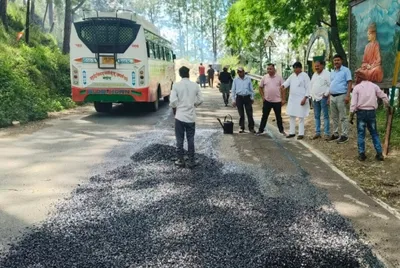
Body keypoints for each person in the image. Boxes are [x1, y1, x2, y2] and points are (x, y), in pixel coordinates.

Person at [170, 66, 204, 168]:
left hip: (180, 116)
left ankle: (180, 160)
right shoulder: (195, 85)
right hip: (191, 117)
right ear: (188, 73)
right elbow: (201, 99)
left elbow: (172, 102)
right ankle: (191, 161)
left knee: (179, 139)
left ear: (180, 74)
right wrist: (194, 104)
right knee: (190, 139)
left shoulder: (176, 85)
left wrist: (177, 108)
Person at [349, 76, 388, 161]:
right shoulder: (374, 86)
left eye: (356, 77)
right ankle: (379, 153)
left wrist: (351, 116)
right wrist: (388, 105)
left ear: (359, 78)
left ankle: (361, 154)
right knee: (374, 133)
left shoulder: (357, 87)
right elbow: (383, 95)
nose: (355, 79)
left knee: (361, 134)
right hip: (371, 113)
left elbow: (353, 104)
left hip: (361, 113)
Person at [280, 62, 311, 140]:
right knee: (292, 115)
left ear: (300, 68)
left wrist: (305, 98)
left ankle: (301, 133)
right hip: (292, 99)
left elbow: (308, 87)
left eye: (296, 68)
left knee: (301, 116)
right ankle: (292, 132)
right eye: (294, 68)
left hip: (301, 99)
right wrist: (283, 85)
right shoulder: (292, 75)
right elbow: (287, 82)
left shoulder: (305, 76)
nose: (295, 69)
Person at [328, 54, 353, 144]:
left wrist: (347, 95)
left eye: (338, 60)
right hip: (332, 97)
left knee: (343, 116)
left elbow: (349, 83)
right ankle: (335, 134)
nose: (336, 62)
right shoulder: (332, 72)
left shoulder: (346, 70)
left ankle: (345, 135)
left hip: (342, 96)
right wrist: (329, 97)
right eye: (335, 60)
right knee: (334, 117)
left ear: (341, 61)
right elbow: (331, 84)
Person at [256, 63, 286, 136]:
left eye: (270, 69)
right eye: (268, 69)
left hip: (277, 101)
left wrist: (283, 99)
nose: (269, 70)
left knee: (278, 117)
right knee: (264, 116)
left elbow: (284, 88)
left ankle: (281, 130)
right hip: (267, 101)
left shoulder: (279, 78)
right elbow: (260, 87)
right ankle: (260, 130)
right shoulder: (265, 77)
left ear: (274, 69)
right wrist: (263, 97)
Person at [310, 60, 330, 140]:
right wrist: (311, 96)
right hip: (315, 99)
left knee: (325, 116)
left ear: (322, 65)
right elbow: (311, 85)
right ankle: (317, 132)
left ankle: (326, 133)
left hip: (323, 98)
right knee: (316, 116)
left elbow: (330, 85)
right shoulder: (314, 74)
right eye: (315, 66)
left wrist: (325, 94)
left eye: (318, 65)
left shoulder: (327, 74)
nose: (316, 67)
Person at [231, 67, 255, 133]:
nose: (239, 73)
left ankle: (251, 127)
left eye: (241, 72)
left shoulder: (248, 79)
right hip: (239, 97)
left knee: (249, 113)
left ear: (243, 72)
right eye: (238, 72)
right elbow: (233, 90)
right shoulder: (235, 80)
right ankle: (241, 127)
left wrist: (252, 98)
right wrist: (233, 100)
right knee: (241, 114)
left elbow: (251, 89)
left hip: (247, 97)